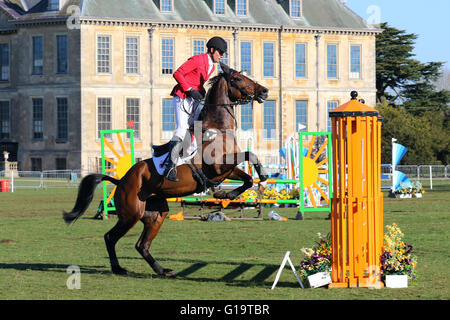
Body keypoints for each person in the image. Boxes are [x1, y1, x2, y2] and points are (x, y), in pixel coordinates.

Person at [164, 36, 227, 182]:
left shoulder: (212, 66)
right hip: (182, 97)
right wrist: (190, 89)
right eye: (220, 52)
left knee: (198, 129)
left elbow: (197, 80)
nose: (222, 55)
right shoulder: (198, 59)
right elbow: (178, 73)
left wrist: (200, 90)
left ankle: (184, 161)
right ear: (212, 50)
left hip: (193, 99)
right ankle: (169, 167)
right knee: (181, 129)